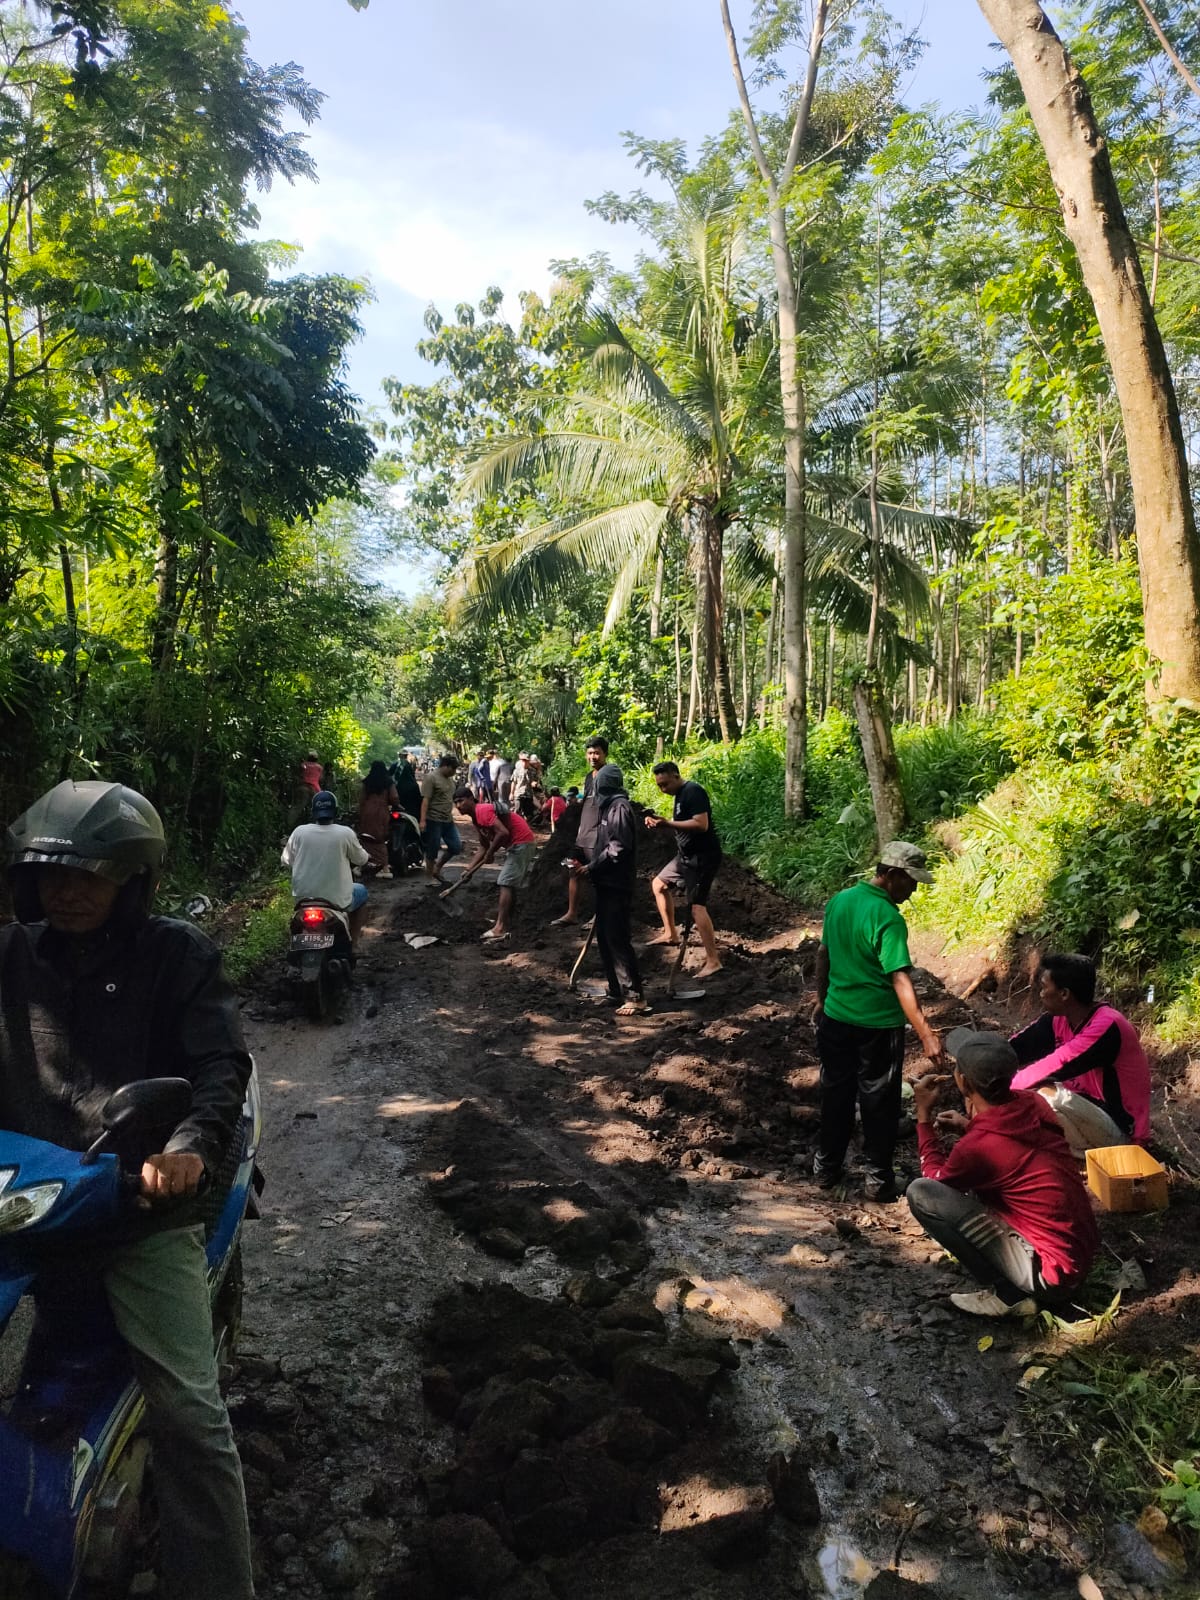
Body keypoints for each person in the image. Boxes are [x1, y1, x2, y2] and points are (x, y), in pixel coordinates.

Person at [0, 779, 255, 1600]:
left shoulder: (175, 955)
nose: (66, 891)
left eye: (89, 876)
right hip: (22, 1202)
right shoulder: (9, 958)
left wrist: (183, 1147)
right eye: (50, 875)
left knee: (191, 1418)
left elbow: (218, 1065)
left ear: (132, 882)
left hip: (132, 1209)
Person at [908, 1028, 1101, 1318]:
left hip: (1050, 1276)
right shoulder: (1033, 1102)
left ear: (962, 1081)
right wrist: (967, 1124)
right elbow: (1010, 1141)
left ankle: (1008, 1294)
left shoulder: (977, 1148)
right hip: (1077, 1257)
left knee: (920, 1193)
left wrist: (923, 1116)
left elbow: (937, 1183)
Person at [813, 841, 945, 1201]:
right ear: (893, 875)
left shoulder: (840, 901)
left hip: (837, 1019)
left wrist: (822, 1000)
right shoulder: (888, 917)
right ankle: (879, 1181)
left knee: (835, 1094)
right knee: (879, 1103)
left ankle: (826, 1170)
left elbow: (824, 954)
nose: (914, 890)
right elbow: (900, 979)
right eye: (912, 882)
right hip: (877, 1027)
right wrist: (926, 1034)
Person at [1008, 953, 1152, 1153]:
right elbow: (1015, 1048)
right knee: (1030, 1096)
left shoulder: (1107, 1026)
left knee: (1045, 1093)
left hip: (1123, 1134)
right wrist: (982, 1064)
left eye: (1044, 987)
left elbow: (1058, 1064)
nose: (1040, 994)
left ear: (1064, 994)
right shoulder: (1059, 1020)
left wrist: (1000, 1090)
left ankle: (1081, 1159)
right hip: (1088, 1116)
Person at [571, 763, 647, 1016]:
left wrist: (593, 866)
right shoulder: (608, 807)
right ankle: (616, 991)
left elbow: (618, 848)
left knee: (617, 939)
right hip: (606, 883)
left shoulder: (620, 808)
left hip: (617, 884)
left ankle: (635, 996)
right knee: (604, 938)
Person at [645, 761, 723, 981]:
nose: (663, 789)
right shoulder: (680, 795)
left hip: (702, 857)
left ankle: (713, 961)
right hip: (685, 857)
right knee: (658, 884)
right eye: (659, 785)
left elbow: (701, 824)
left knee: (698, 908)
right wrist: (661, 822)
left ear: (676, 776)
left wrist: (667, 824)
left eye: (665, 784)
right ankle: (670, 933)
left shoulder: (693, 791)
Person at [282, 789, 369, 943]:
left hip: (303, 899)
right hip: (337, 901)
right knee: (361, 891)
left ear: (313, 812)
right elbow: (362, 860)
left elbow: (286, 861)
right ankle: (354, 943)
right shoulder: (345, 833)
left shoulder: (299, 832)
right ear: (335, 811)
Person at [453, 788, 538, 943]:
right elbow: (484, 846)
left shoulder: (482, 811)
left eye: (461, 801)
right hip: (517, 844)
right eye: (456, 803)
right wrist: (469, 869)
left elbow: (503, 832)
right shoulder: (476, 819)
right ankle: (507, 920)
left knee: (505, 882)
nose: (458, 806)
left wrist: (491, 853)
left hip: (522, 843)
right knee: (509, 884)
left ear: (472, 799)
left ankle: (500, 928)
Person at [551, 736, 610, 927]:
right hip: (583, 836)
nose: (593, 756)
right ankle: (572, 913)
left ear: (605, 754)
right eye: (590, 753)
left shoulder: (608, 776)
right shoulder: (588, 777)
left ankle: (600, 916)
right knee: (573, 870)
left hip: (598, 836)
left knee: (599, 877)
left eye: (597, 753)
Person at [419, 753, 463, 882]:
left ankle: (437, 869)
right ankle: (429, 877)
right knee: (432, 849)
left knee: (456, 846)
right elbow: (425, 800)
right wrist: (422, 820)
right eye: (452, 769)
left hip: (448, 820)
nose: (454, 772)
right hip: (433, 819)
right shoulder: (431, 778)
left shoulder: (450, 781)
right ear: (445, 766)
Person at [392, 749, 423, 820]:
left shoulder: (395, 764)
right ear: (406, 756)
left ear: (399, 755)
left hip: (398, 791)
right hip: (411, 791)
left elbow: (389, 775)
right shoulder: (408, 765)